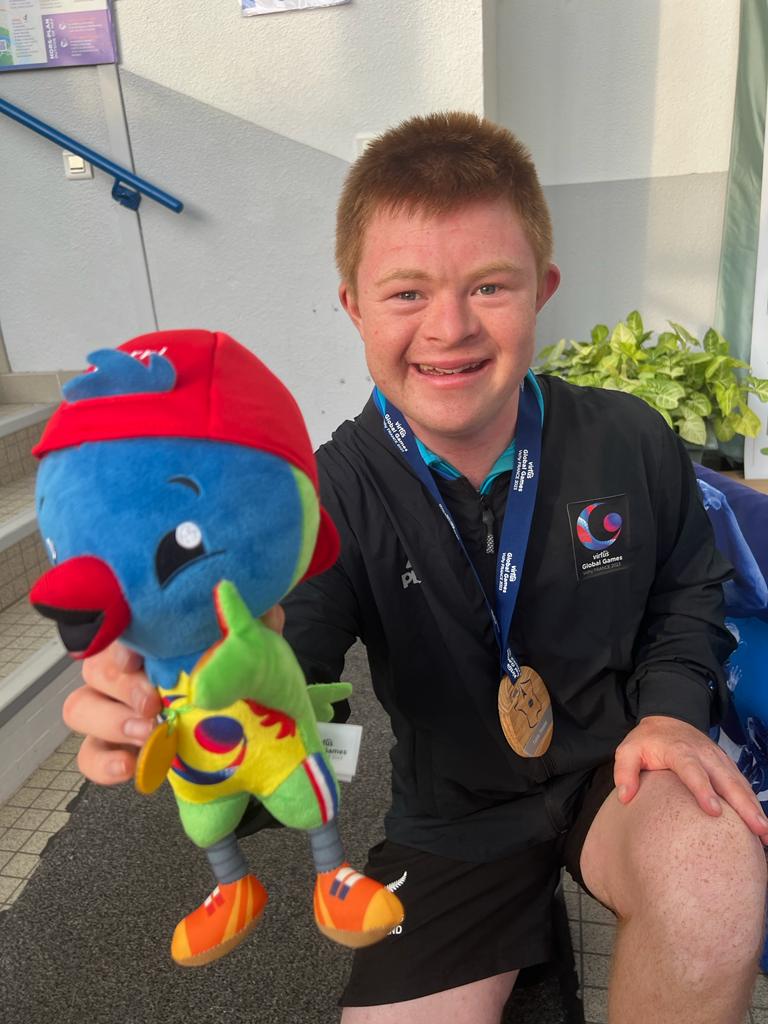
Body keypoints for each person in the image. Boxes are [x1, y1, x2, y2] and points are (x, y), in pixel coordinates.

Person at [62, 112, 768, 1023]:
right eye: (406, 293)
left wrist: (673, 714)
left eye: (489, 285)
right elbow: (292, 671)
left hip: (619, 771)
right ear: (352, 303)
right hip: (454, 820)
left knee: (715, 876)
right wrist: (192, 699)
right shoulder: (319, 502)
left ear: (543, 288)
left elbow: (686, 587)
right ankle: (525, 947)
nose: (450, 327)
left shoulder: (627, 438)